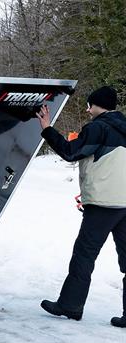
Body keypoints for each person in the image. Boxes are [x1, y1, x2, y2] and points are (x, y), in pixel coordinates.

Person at [36, 86, 126, 327]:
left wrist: (47, 129)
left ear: (98, 105)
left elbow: (70, 152)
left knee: (84, 255)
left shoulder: (98, 128)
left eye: (89, 105)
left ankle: (70, 305)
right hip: (125, 203)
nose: (87, 110)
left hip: (103, 204)